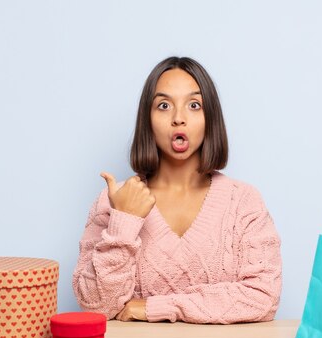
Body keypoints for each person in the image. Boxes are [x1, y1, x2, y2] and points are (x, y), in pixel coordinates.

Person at [72, 57, 282, 324]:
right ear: (147, 120)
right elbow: (96, 308)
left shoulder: (243, 202)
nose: (179, 119)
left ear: (210, 119)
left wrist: (159, 307)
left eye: (194, 105)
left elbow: (263, 297)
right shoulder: (114, 201)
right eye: (163, 105)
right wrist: (123, 222)